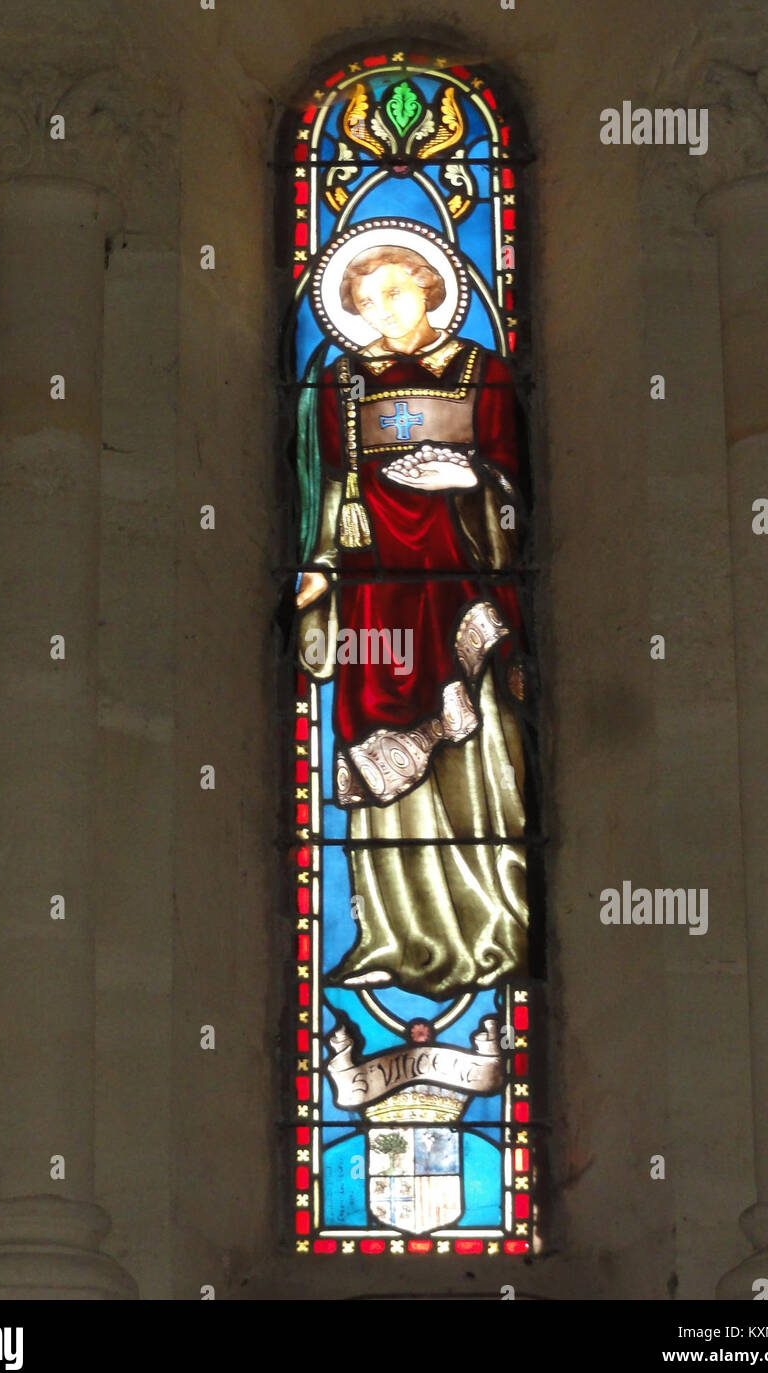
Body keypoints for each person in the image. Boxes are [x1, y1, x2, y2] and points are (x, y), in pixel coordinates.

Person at [296, 243, 529, 1001]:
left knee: (476, 743)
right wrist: (319, 564)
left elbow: (515, 491)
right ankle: (392, 932)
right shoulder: (338, 380)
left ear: (431, 291)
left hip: (462, 586)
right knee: (378, 756)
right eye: (365, 301)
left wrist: (472, 477)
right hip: (373, 599)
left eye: (397, 293)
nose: (382, 312)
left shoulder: (482, 371)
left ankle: (493, 920)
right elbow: (330, 491)